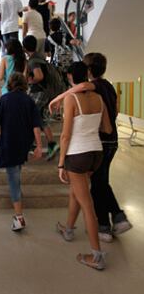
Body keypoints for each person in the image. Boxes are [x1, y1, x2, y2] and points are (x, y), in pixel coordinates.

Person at [50, 53, 132, 242]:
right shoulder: (108, 87)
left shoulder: (94, 87)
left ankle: (104, 227)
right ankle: (112, 218)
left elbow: (82, 87)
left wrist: (58, 98)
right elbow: (116, 111)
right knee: (99, 183)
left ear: (88, 71)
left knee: (97, 186)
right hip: (110, 140)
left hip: (95, 143)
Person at [55, 62, 112, 270]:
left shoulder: (71, 99)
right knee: (77, 193)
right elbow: (106, 127)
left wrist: (61, 163)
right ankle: (68, 229)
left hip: (77, 155)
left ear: (70, 77)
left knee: (87, 204)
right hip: (95, 153)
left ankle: (97, 256)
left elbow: (65, 135)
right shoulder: (99, 98)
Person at [0, 73, 43, 230]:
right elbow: (36, 125)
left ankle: (19, 217)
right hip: (23, 144)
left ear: (10, 84)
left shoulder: (4, 99)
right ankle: (18, 201)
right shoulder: (29, 100)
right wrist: (39, 146)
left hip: (9, 143)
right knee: (16, 173)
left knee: (13, 178)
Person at [22, 35, 59, 160]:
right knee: (42, 119)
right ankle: (52, 146)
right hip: (47, 92)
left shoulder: (33, 61)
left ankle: (32, 144)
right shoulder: (40, 57)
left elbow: (39, 76)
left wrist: (31, 81)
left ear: (25, 48)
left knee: (29, 115)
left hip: (39, 92)